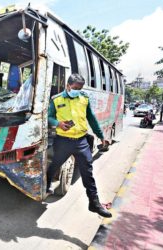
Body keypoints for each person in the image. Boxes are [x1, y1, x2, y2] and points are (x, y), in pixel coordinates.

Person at [47, 73, 112, 218]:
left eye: (80, 88)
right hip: (63, 140)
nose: (77, 90)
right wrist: (58, 123)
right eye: (75, 87)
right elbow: (49, 116)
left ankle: (94, 203)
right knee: (55, 164)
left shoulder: (84, 98)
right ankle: (47, 183)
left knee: (87, 171)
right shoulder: (56, 99)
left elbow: (91, 118)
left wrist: (101, 136)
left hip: (81, 141)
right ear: (68, 86)